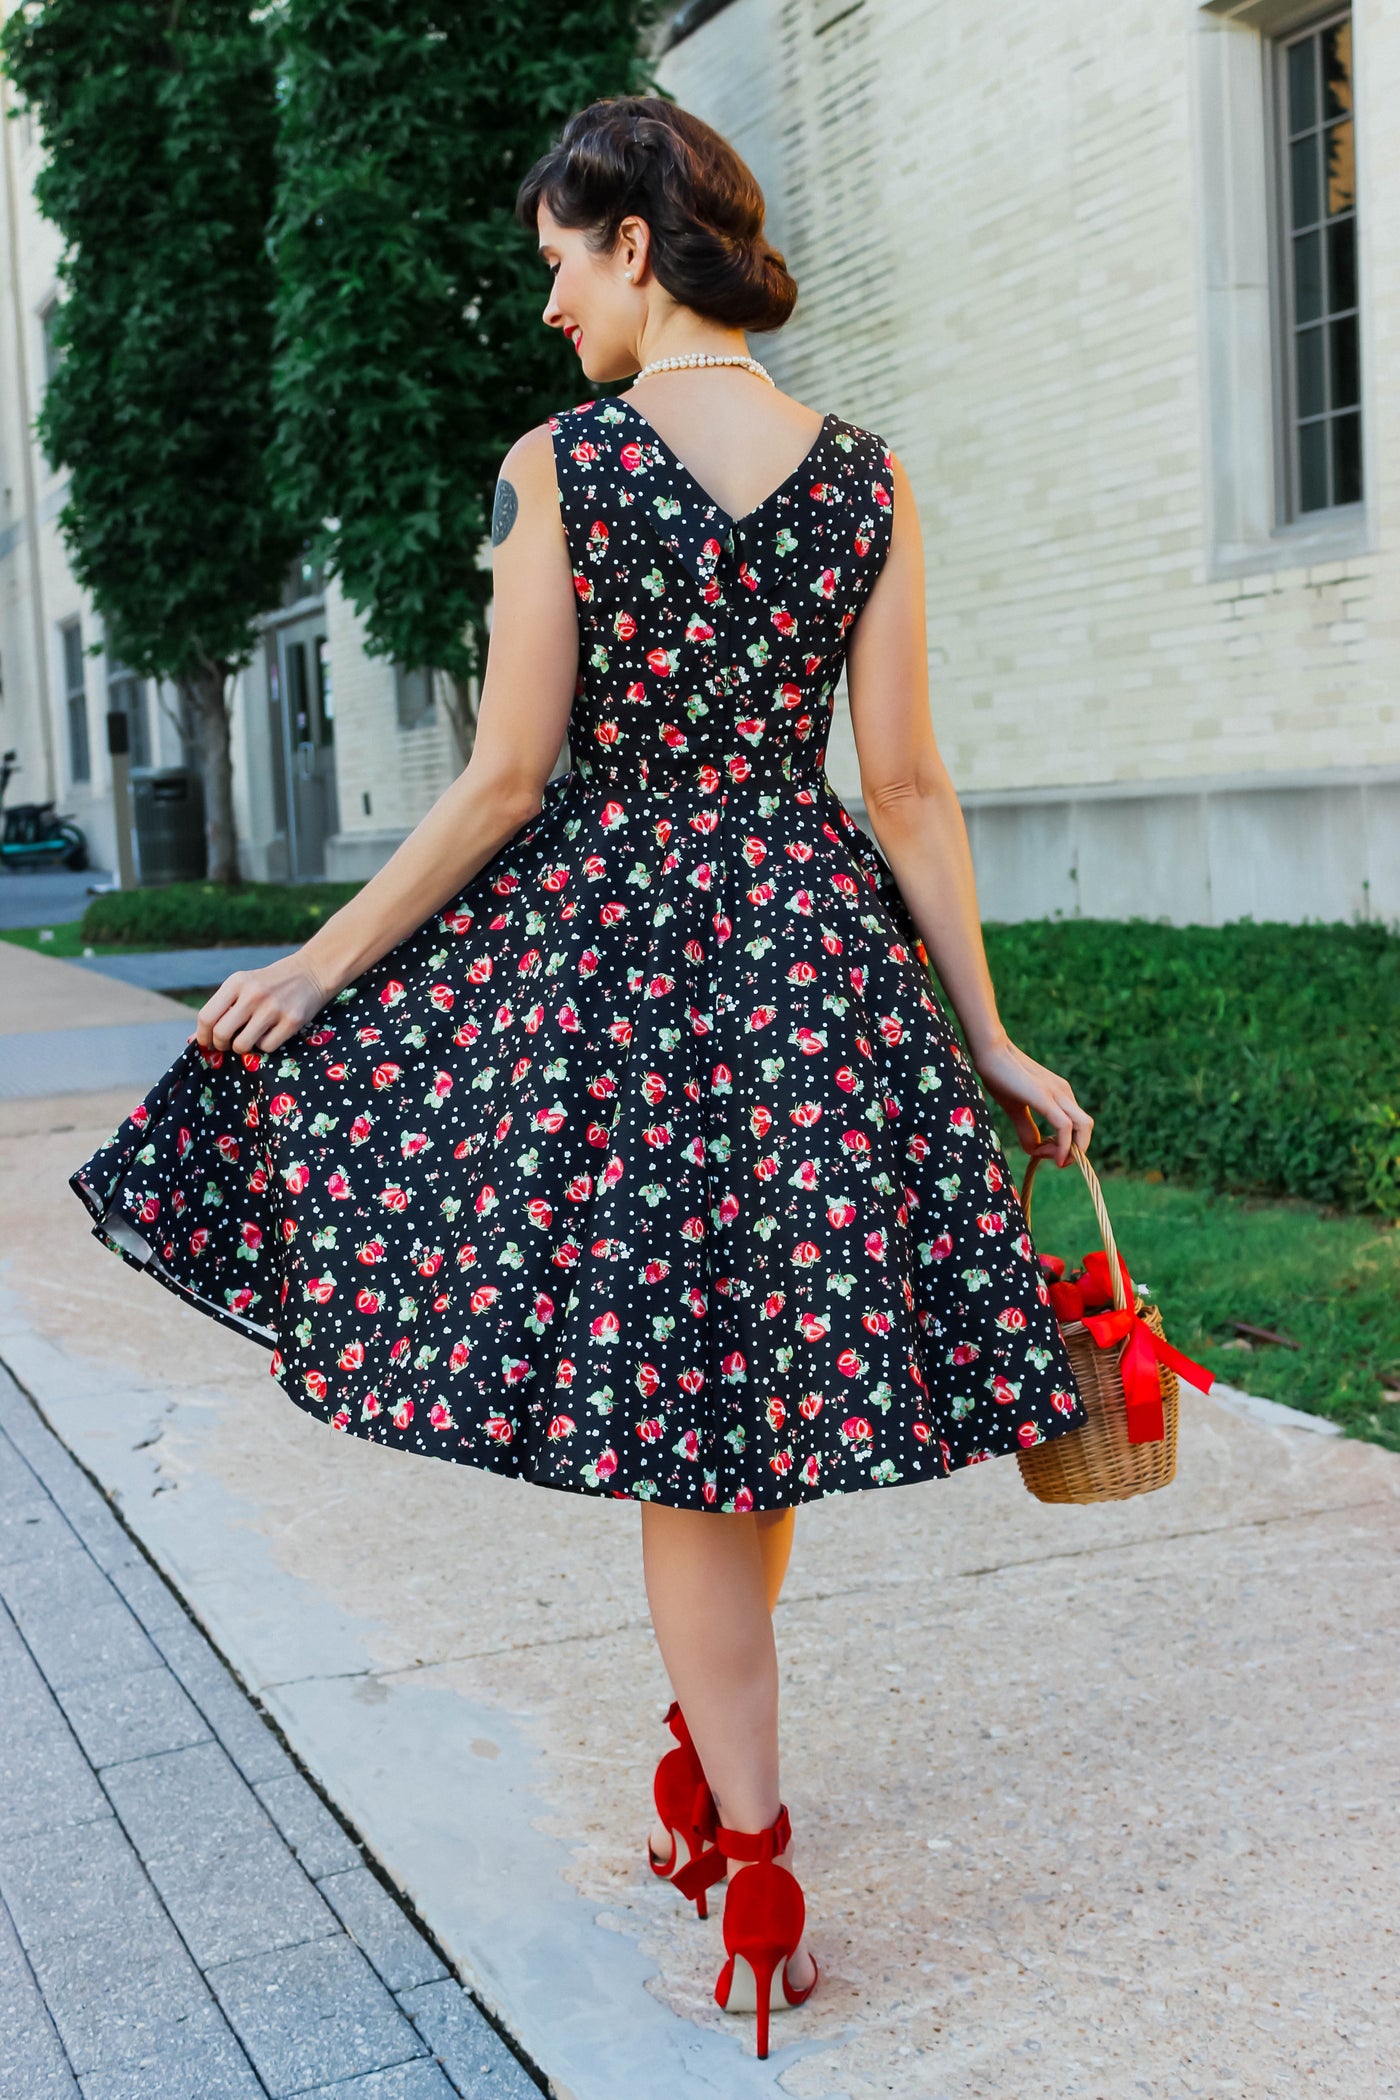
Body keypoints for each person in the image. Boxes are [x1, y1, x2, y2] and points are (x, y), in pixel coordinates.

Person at [71, 96, 1093, 2059]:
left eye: (557, 256)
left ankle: (760, 1857)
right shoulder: (868, 479)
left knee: (682, 1421)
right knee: (754, 1402)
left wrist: (319, 962)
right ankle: (714, 1785)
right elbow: (901, 787)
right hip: (814, 972)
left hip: (630, 985)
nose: (547, 303)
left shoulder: (565, 469)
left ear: (637, 240)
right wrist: (980, 1030)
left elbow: (506, 781)